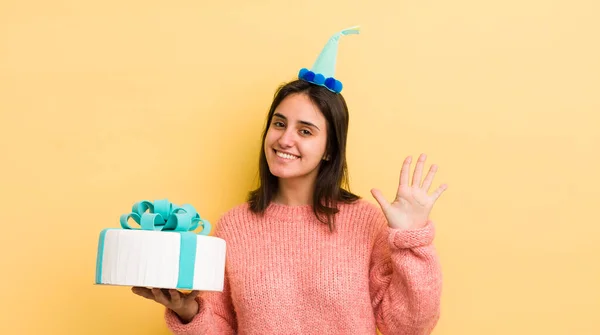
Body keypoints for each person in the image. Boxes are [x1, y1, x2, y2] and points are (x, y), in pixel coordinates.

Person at [132, 26, 448, 335]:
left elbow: (409, 327)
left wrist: (412, 239)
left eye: (305, 131)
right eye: (279, 123)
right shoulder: (233, 227)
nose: (285, 139)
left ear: (329, 149)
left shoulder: (365, 222)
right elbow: (220, 327)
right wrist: (188, 312)